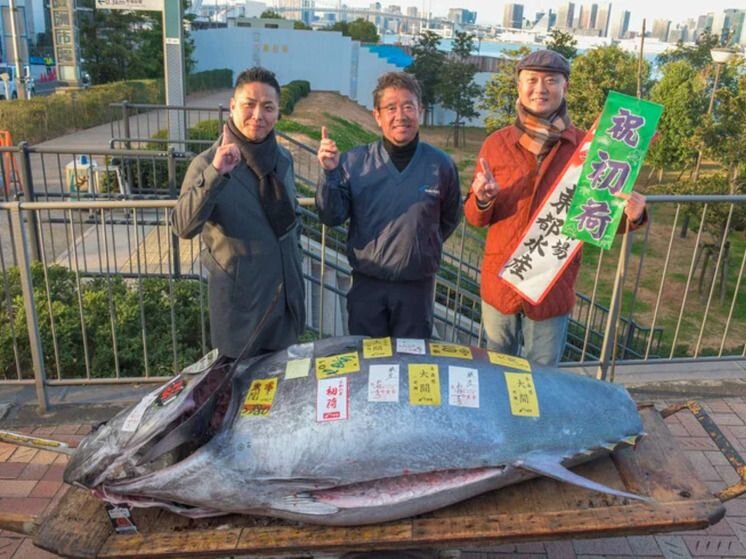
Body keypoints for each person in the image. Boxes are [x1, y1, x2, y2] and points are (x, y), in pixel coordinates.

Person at [464, 50, 647, 367]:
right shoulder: (496, 143)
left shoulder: (590, 149)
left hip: (551, 284)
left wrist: (633, 216)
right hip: (500, 281)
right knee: (495, 372)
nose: (540, 88)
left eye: (551, 80)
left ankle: (537, 421)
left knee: (544, 377)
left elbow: (597, 215)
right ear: (519, 86)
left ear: (566, 87)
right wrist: (482, 198)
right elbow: (475, 218)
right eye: (531, 80)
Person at [316, 71, 462, 339]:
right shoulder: (355, 162)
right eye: (391, 108)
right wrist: (330, 174)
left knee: (412, 366)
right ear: (377, 115)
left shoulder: (440, 165)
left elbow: (450, 217)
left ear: (421, 111)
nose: (401, 115)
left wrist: (421, 244)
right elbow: (331, 216)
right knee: (367, 364)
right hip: (367, 287)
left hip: (417, 290)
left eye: (408, 106)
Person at [172, 66, 305, 359]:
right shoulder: (207, 163)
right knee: (238, 395)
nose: (258, 115)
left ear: (278, 112)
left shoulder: (282, 160)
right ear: (232, 106)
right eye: (249, 105)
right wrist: (217, 173)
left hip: (285, 306)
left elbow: (291, 220)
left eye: (268, 107)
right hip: (241, 311)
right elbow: (183, 226)